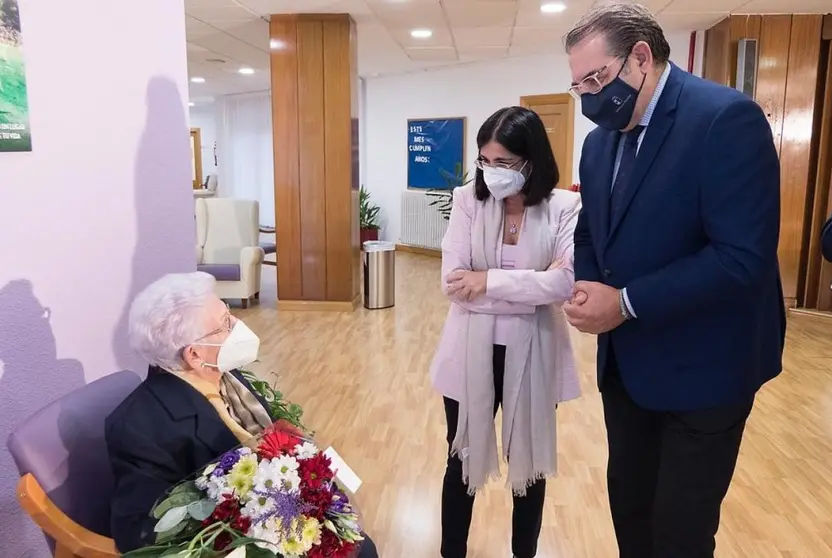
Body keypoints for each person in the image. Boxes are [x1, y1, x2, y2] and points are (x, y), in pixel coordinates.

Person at [562, 4, 785, 557]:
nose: (589, 97)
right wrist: (590, 289)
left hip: (705, 370)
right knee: (630, 511)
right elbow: (592, 232)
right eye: (577, 86)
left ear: (640, 57)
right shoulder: (599, 143)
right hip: (629, 369)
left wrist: (627, 303)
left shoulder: (724, 118)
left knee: (680, 533)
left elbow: (740, 258)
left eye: (596, 79)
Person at [106, 271, 378, 557]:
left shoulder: (227, 378)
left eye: (229, 314)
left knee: (359, 545)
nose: (238, 325)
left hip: (280, 517)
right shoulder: (139, 428)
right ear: (194, 355)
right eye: (225, 324)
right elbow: (140, 534)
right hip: (237, 541)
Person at [430, 106, 582, 558]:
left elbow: (566, 283)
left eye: (504, 164)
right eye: (485, 161)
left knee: (528, 462)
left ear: (532, 161)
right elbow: (453, 284)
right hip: (469, 350)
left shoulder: (564, 206)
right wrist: (532, 286)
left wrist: (489, 281)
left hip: (534, 352)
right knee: (462, 457)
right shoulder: (467, 201)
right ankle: (451, 551)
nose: (491, 173)